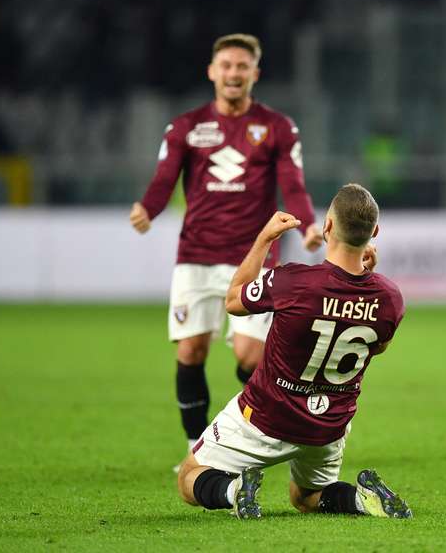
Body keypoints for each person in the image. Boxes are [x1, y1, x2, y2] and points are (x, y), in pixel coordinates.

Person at [129, 33, 324, 459]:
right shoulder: (185, 127)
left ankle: (260, 434)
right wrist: (149, 207)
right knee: (191, 349)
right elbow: (165, 178)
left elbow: (293, 183)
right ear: (212, 72)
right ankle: (196, 449)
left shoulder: (276, 127)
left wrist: (307, 224)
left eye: (242, 67)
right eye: (227, 66)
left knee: (252, 358)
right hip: (196, 256)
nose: (233, 74)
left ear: (255, 74)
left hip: (253, 257)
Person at [176, 184, 411, 519]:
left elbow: (233, 300)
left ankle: (233, 489)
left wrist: (264, 239)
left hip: (267, 417)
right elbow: (379, 345)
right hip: (327, 427)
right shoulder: (390, 297)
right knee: (307, 497)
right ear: (374, 232)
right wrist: (366, 282)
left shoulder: (292, 281)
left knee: (189, 477)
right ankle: (361, 499)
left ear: (327, 227)